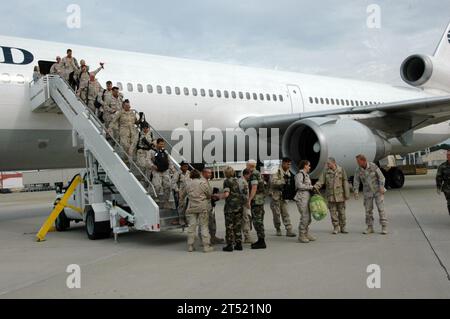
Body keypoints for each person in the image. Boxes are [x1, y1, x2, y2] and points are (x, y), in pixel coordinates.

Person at [314, 157, 350, 234]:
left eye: (328, 163)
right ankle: (336, 227)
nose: (327, 165)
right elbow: (321, 181)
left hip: (340, 196)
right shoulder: (326, 172)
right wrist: (316, 186)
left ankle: (343, 227)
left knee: (342, 213)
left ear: (333, 163)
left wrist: (347, 194)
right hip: (330, 196)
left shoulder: (341, 170)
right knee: (333, 213)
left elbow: (345, 181)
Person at [353, 154, 388, 235]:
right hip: (367, 192)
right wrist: (356, 191)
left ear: (363, 161)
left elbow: (381, 177)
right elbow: (356, 181)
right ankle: (370, 227)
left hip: (378, 191)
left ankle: (384, 227)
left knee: (381, 209)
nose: (357, 163)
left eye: (358, 161)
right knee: (368, 210)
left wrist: (382, 187)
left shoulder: (373, 166)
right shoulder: (358, 170)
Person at [185, 169, 214, 253]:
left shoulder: (188, 184)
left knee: (192, 227)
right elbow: (209, 194)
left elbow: (183, 194)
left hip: (191, 207)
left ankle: (190, 246)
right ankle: (206, 246)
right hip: (202, 207)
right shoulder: (202, 183)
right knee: (204, 226)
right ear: (199, 175)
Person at [219, 166, 245, 252]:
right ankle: (239, 244)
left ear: (225, 173)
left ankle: (229, 245)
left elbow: (226, 194)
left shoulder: (227, 181)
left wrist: (218, 196)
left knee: (229, 226)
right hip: (239, 206)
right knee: (237, 225)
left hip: (230, 207)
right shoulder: (238, 181)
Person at [269, 158, 296, 237]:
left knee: (286, 213)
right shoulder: (275, 171)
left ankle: (289, 230)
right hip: (276, 195)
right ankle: (278, 229)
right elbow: (273, 182)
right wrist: (283, 181)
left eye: (290, 164)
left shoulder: (288, 172)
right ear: (283, 163)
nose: (289, 166)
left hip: (284, 195)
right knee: (276, 214)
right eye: (288, 164)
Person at [247, 160, 267, 249]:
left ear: (250, 166)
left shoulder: (254, 174)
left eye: (247, 165)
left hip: (256, 201)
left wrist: (249, 200)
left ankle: (261, 241)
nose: (246, 167)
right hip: (260, 199)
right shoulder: (258, 173)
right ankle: (260, 240)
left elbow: (254, 187)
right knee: (259, 219)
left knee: (257, 220)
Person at [295, 160, 316, 243]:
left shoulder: (306, 175)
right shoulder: (300, 175)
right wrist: (310, 187)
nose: (309, 167)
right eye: (309, 165)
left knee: (308, 218)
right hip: (301, 198)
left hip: (306, 198)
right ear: (305, 166)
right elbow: (299, 185)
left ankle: (306, 233)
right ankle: (302, 235)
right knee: (305, 217)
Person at [202, 168, 225, 245]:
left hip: (209, 204)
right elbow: (205, 194)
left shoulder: (206, 181)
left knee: (212, 222)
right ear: (204, 173)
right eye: (209, 173)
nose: (210, 174)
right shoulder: (202, 182)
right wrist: (214, 195)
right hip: (204, 205)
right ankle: (205, 240)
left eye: (211, 173)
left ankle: (213, 237)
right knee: (204, 223)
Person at [150, 138, 174, 209]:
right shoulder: (152, 151)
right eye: (160, 144)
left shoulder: (165, 152)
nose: (162, 145)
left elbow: (169, 160)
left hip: (165, 171)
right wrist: (152, 166)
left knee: (168, 186)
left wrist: (172, 168)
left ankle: (166, 202)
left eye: (163, 144)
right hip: (156, 171)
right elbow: (148, 160)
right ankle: (155, 200)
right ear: (157, 144)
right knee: (157, 186)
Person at [239, 168, 253, 244]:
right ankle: (247, 237)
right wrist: (247, 203)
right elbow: (244, 194)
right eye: (249, 175)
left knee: (242, 220)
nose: (249, 176)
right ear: (246, 174)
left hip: (240, 204)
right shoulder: (243, 182)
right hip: (243, 204)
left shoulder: (239, 180)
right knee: (245, 220)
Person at [436, 150, 450, 216]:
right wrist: (438, 187)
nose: (448, 156)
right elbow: (439, 177)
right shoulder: (442, 166)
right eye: (448, 155)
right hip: (447, 188)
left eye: (449, 155)